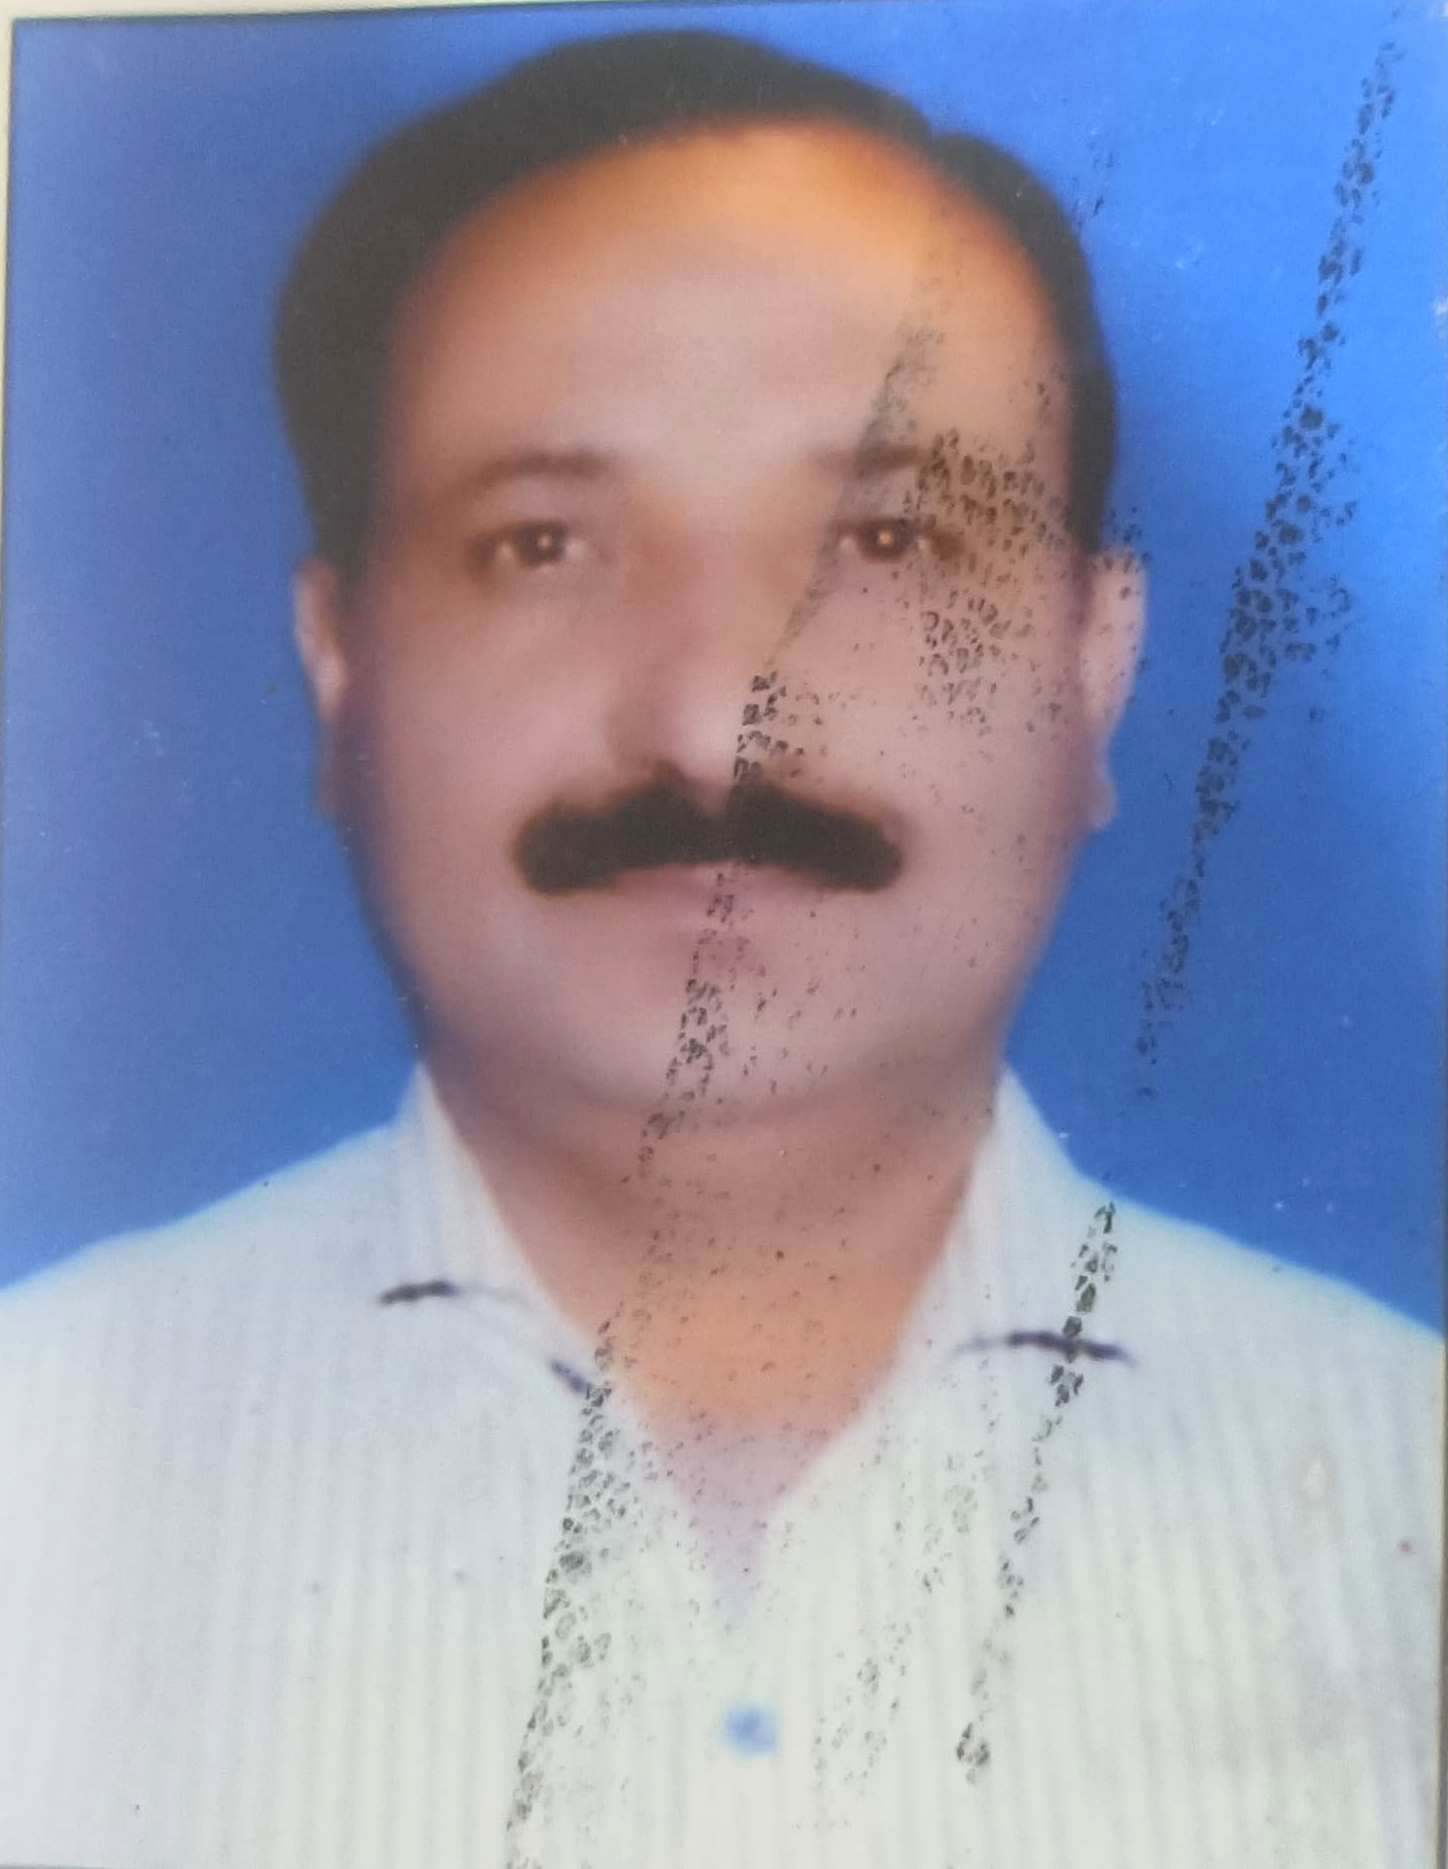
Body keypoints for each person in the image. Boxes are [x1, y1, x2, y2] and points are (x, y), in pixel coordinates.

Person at [0, 29, 1437, 1869]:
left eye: (891, 539)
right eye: (540, 544)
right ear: (339, 670)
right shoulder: (39, 1476)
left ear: (1097, 669)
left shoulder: (1402, 1495)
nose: (711, 722)